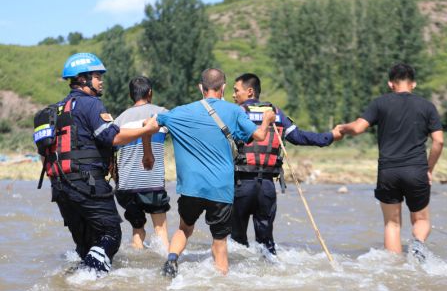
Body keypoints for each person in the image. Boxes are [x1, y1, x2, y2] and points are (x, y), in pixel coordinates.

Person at [144, 68, 275, 277]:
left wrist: (147, 154)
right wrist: (268, 119)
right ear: (223, 88)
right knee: (220, 241)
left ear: (200, 88)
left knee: (184, 229)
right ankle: (221, 283)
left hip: (191, 188)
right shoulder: (234, 111)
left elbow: (148, 124)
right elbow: (259, 135)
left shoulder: (179, 112)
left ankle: (171, 260)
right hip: (220, 189)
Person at [42, 53, 157, 274]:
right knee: (110, 235)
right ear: (83, 79)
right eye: (97, 76)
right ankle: (87, 279)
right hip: (88, 183)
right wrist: (147, 129)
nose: (101, 80)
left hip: (60, 187)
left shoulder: (54, 110)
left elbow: (45, 152)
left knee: (86, 247)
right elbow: (111, 138)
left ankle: (84, 288)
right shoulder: (91, 104)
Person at [338, 63, 444, 262]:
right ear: (413, 83)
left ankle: (393, 270)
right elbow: (438, 141)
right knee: (421, 220)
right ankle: (418, 244)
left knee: (392, 224)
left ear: (390, 84)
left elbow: (358, 128)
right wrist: (429, 168)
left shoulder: (380, 103)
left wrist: (342, 127)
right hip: (416, 170)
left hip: (388, 171)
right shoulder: (427, 106)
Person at [231, 73, 343, 256]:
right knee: (266, 244)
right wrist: (329, 136)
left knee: (237, 242)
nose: (233, 95)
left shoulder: (236, 113)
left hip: (241, 186)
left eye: (236, 91)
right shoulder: (275, 113)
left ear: (249, 91)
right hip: (266, 187)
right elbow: (299, 137)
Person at [114, 76, 170, 251]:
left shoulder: (119, 120)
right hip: (151, 183)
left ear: (131, 95)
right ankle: (168, 266)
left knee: (137, 231)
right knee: (160, 229)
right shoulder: (162, 113)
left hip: (126, 187)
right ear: (150, 92)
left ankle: (136, 265)